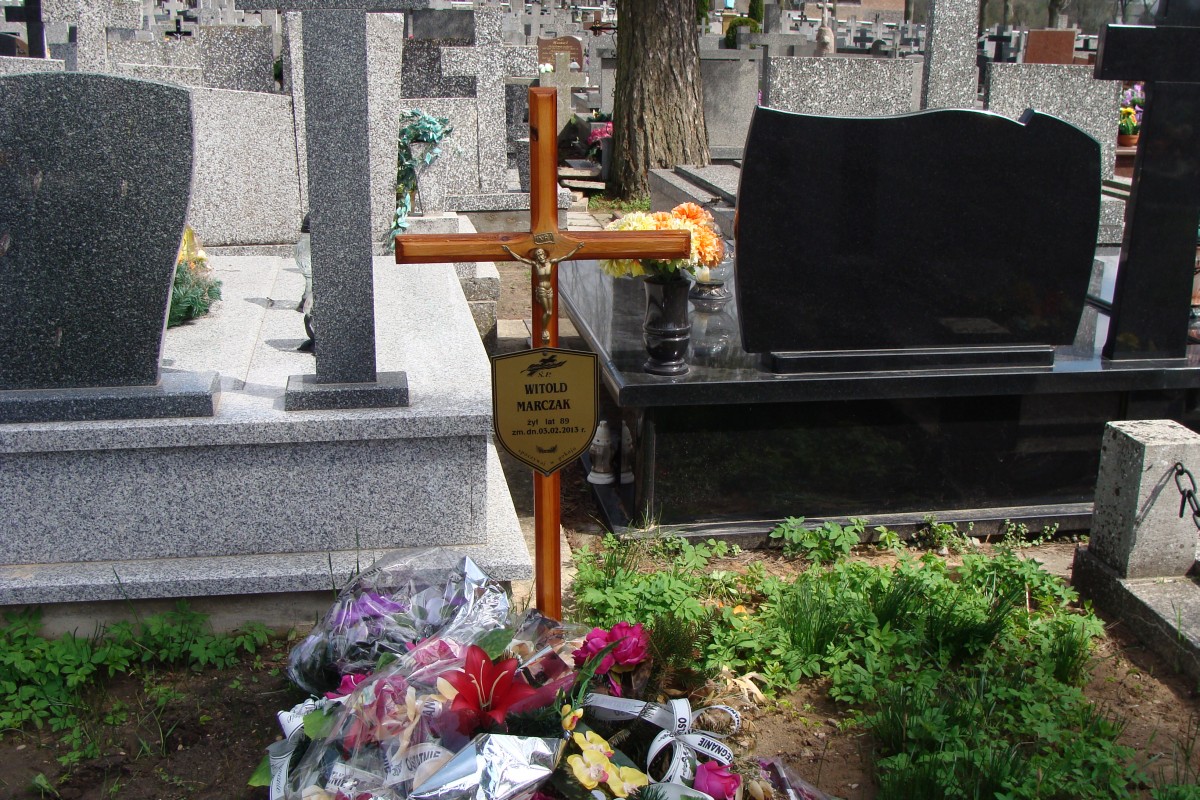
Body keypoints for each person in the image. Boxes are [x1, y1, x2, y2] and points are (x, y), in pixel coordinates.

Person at [501, 242, 584, 344]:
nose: (540, 257)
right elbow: (520, 259)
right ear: (536, 257)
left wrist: (577, 248)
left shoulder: (551, 262)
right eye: (538, 255)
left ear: (545, 255)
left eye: (541, 254)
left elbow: (566, 257)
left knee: (550, 311)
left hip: (549, 289)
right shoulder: (536, 265)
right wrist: (509, 251)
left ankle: (545, 330)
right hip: (541, 290)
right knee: (547, 311)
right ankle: (544, 330)